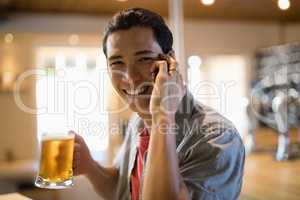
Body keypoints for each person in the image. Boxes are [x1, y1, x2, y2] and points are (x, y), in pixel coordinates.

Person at [71, 7, 245, 200]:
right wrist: (90, 166)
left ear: (170, 61)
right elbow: (121, 190)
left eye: (144, 58)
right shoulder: (139, 122)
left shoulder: (218, 136)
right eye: (117, 63)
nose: (130, 77)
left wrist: (163, 114)